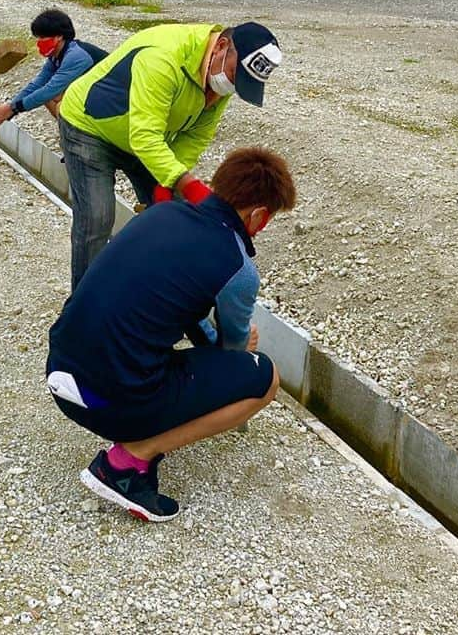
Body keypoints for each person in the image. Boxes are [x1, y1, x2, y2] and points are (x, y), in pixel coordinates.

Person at [47, 146, 297, 521]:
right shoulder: (237, 268)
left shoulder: (160, 213)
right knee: (264, 378)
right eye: (268, 220)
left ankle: (132, 434)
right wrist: (244, 346)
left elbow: (180, 307)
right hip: (108, 403)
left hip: (61, 375)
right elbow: (230, 352)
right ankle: (128, 464)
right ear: (258, 215)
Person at [57, 22, 283, 289]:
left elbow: (195, 136)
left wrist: (167, 185)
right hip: (89, 128)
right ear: (221, 46)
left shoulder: (219, 78)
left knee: (173, 211)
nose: (233, 85)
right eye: (235, 75)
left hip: (142, 137)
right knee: (97, 217)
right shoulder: (163, 58)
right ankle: (85, 303)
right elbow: (144, 136)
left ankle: (155, 290)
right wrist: (184, 181)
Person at [0, 9, 106, 131]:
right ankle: (69, 132)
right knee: (49, 96)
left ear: (59, 37)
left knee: (56, 97)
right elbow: (38, 84)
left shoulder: (76, 56)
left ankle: (78, 134)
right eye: (37, 38)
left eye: (43, 37)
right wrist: (9, 108)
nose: (39, 42)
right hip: (95, 95)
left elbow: (49, 90)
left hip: (113, 100)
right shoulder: (56, 56)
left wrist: (11, 109)